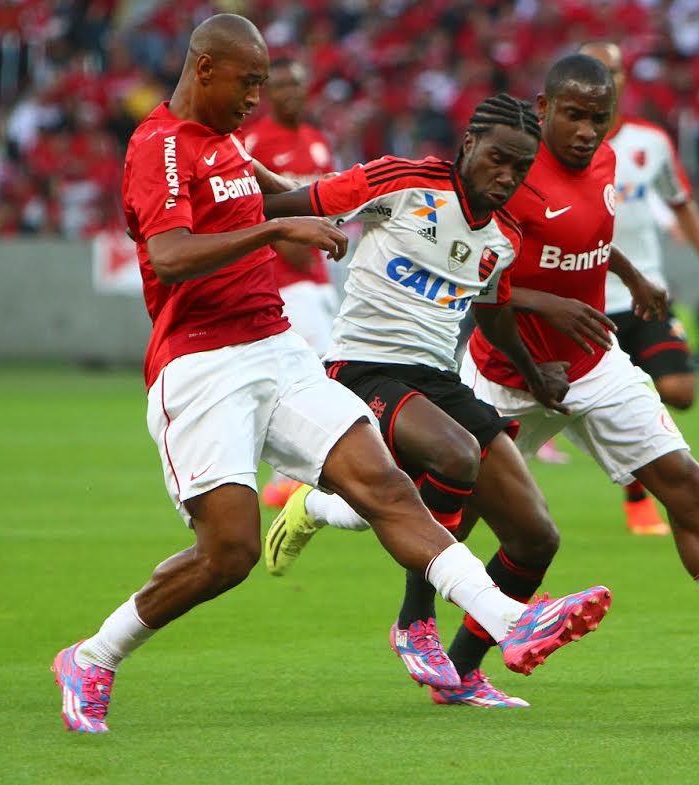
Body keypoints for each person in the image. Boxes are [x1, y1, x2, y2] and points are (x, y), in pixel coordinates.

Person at [50, 15, 611, 734]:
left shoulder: (227, 143)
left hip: (277, 346)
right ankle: (93, 656)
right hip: (200, 361)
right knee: (229, 553)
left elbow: (278, 191)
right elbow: (169, 256)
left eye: (262, 84)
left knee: (388, 487)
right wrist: (278, 227)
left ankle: (509, 620)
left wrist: (302, 206)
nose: (257, 98)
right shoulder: (159, 144)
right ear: (204, 68)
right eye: (249, 82)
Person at [459, 54, 699, 684]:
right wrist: (545, 314)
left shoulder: (607, 161)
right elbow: (476, 280)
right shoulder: (510, 174)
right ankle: (324, 505)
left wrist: (632, 276)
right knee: (444, 515)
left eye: (599, 118)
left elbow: (590, 235)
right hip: (508, 375)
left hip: (593, 362)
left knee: (687, 485)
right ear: (544, 109)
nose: (587, 132)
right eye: (574, 116)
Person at [262, 94, 580, 708]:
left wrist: (535, 376)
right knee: (455, 457)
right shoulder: (404, 182)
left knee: (535, 538)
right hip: (362, 368)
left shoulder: (505, 236)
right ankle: (415, 620)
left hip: (437, 380)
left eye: (520, 167)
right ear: (468, 145)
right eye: (497, 159)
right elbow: (297, 202)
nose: (507, 176)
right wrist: (228, 208)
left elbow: (494, 310)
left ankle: (460, 674)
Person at [577, 41, 699, 537]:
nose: (608, 78)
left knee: (678, 390)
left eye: (615, 70)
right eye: (597, 69)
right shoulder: (561, 144)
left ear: (624, 79)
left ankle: (641, 472)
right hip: (585, 300)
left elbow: (681, 202)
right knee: (594, 404)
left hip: (646, 291)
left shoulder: (651, 141)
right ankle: (637, 494)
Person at [242, 58, 340, 507]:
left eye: (295, 84)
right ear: (267, 94)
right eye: (279, 86)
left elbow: (328, 200)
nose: (289, 93)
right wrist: (285, 240)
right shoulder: (256, 141)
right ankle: (289, 478)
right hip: (281, 278)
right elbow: (247, 205)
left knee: (317, 372)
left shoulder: (317, 141)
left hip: (318, 275)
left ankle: (289, 476)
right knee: (315, 372)